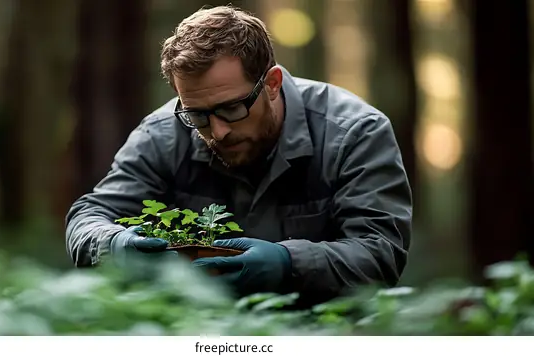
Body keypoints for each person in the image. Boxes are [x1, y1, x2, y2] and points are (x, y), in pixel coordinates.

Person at [65, 5, 412, 307]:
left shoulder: (354, 132)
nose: (218, 132)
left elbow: (381, 252)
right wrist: (116, 245)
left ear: (272, 83)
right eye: (197, 114)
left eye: (232, 108)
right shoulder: (162, 134)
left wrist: (288, 263)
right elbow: (90, 215)